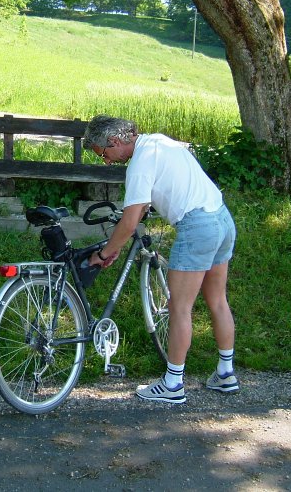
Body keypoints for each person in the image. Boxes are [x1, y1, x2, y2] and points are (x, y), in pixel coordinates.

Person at [83, 115, 238, 404]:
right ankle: (226, 373)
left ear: (114, 142)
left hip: (197, 227)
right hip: (221, 218)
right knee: (217, 300)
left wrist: (104, 253)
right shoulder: (158, 142)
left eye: (103, 154)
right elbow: (144, 206)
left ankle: (173, 384)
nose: (105, 161)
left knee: (179, 307)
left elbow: (130, 223)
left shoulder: (140, 164)